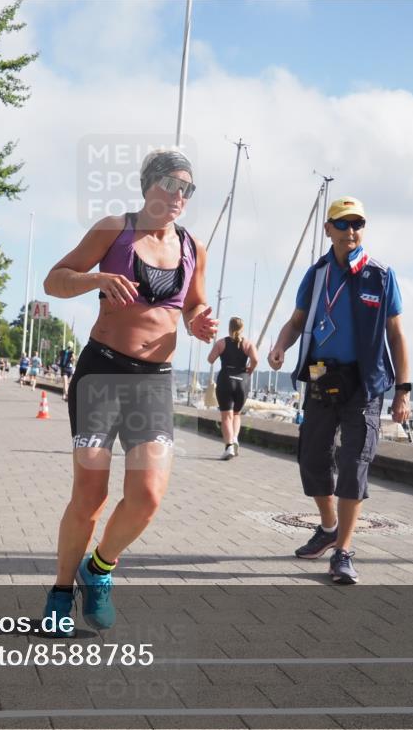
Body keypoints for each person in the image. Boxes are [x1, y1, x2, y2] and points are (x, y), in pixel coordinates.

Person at [41, 148, 217, 633]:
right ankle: (59, 592)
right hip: (101, 375)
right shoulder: (113, 230)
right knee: (90, 495)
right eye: (174, 185)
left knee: (147, 496)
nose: (182, 196)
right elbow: (54, 281)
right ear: (150, 186)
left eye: (189, 189)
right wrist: (95, 278)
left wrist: (199, 321)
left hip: (154, 383)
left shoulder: (191, 247)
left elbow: (195, 302)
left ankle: (98, 569)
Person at [268, 196, 410, 584]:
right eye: (343, 224)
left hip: (364, 384)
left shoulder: (380, 275)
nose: (351, 231)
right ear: (327, 229)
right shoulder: (316, 275)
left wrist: (404, 390)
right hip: (321, 379)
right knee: (312, 459)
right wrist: (281, 345)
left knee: (353, 463)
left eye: (358, 224)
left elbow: (396, 335)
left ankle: (344, 551)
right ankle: (329, 526)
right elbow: (296, 321)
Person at [207, 317, 258, 460]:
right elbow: (256, 359)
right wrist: (250, 369)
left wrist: (219, 352)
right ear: (242, 329)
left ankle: (229, 446)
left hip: (226, 379)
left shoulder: (221, 343)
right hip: (242, 380)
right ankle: (234, 439)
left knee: (226, 416)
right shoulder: (248, 344)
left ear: (229, 328)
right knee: (236, 414)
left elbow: (210, 359)